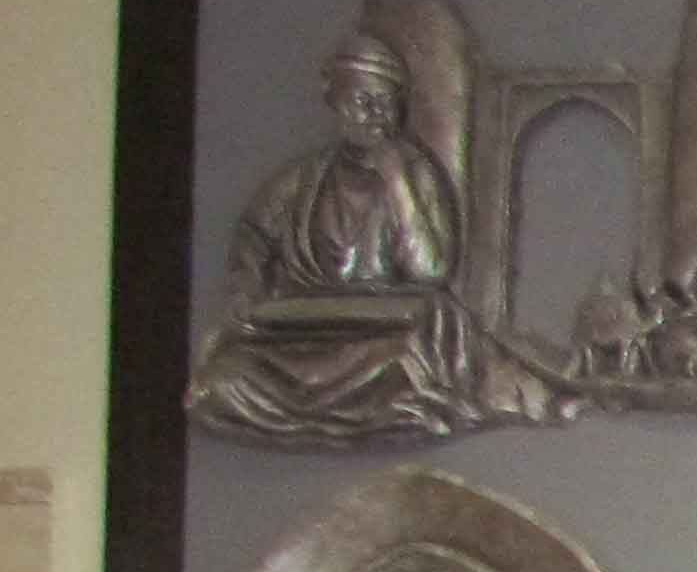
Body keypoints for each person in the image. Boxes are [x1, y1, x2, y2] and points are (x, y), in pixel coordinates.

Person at [188, 28, 532, 441]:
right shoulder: (305, 178)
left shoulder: (417, 174)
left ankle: (371, 410)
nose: (376, 116)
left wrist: (397, 184)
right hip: (302, 335)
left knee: (407, 372)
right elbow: (254, 234)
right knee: (222, 381)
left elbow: (431, 271)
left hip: (382, 335)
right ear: (335, 102)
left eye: (386, 104)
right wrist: (245, 288)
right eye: (363, 102)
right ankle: (316, 413)